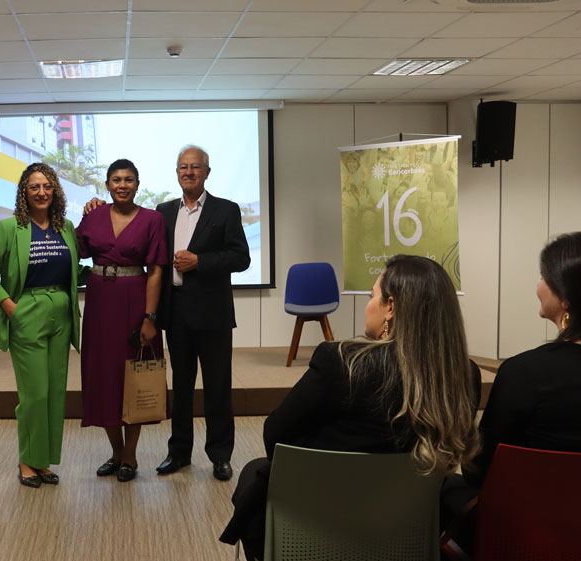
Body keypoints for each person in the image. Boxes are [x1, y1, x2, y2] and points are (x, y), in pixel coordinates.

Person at [220, 255, 481, 560]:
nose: (368, 305)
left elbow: (275, 439)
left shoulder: (341, 362)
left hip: (313, 530)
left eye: (372, 296)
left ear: (391, 307)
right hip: (403, 537)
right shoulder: (464, 376)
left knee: (254, 472)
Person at [442, 231, 581, 553]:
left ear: (565, 297)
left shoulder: (523, 373)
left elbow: (479, 471)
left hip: (524, 534)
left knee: (444, 487)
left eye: (543, 277)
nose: (538, 286)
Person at [0, 162, 84, 488]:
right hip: (27, 312)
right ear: (24, 192)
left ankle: (42, 461)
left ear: (55, 192)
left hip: (61, 312)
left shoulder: (66, 227)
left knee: (54, 392)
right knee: (34, 393)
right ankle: (26, 460)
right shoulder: (9, 228)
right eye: (34, 187)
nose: (41, 192)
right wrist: (9, 306)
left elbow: (73, 270)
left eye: (47, 186)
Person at [155, 145, 250, 480]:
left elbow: (241, 258)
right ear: (177, 172)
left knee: (217, 388)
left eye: (195, 167)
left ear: (207, 172)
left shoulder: (226, 210)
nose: (189, 172)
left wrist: (200, 261)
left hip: (213, 314)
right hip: (176, 312)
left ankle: (220, 455)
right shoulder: (163, 211)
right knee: (180, 388)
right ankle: (179, 453)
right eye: (183, 167)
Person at [75, 159, 168, 482]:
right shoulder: (94, 215)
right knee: (104, 376)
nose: (122, 185)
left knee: (133, 377)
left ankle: (130, 455)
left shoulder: (153, 219)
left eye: (129, 179)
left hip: (135, 301)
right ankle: (115, 452)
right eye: (116, 180)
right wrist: (83, 213)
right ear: (107, 185)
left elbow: (155, 271)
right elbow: (76, 250)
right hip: (100, 303)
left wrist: (150, 318)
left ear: (137, 184)